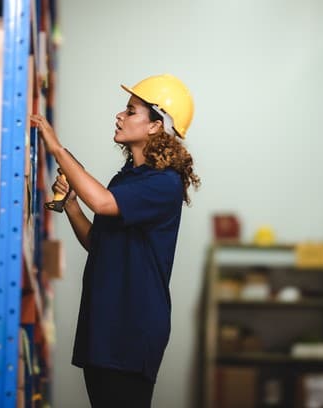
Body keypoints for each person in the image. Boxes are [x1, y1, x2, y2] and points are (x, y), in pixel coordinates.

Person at [31, 74, 200, 408]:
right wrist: (72, 206)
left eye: (131, 111)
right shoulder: (127, 178)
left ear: (155, 126)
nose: (119, 116)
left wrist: (56, 149)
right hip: (104, 324)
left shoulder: (164, 184)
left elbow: (104, 203)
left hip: (131, 328)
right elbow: (99, 242)